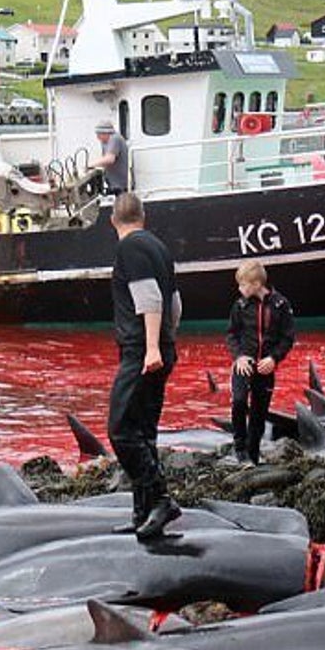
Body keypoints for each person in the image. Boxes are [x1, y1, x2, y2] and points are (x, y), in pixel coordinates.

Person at [107, 192, 182, 539]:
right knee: (143, 431)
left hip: (142, 351)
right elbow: (175, 302)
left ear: (112, 220)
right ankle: (142, 513)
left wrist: (152, 347)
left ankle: (160, 498)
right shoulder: (158, 247)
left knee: (120, 430)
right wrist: (168, 340)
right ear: (143, 215)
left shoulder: (130, 248)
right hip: (161, 345)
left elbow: (149, 296)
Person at [226, 260, 295, 465]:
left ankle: (253, 453)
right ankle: (240, 448)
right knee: (239, 402)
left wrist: (274, 358)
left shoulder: (280, 305)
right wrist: (238, 356)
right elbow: (231, 334)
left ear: (256, 284)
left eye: (243, 284)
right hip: (243, 365)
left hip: (265, 367)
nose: (240, 289)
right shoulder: (239, 306)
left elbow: (287, 337)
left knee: (259, 411)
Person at [91, 120, 131, 193]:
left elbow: (110, 159)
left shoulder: (114, 139)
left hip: (120, 184)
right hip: (112, 182)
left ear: (105, 133)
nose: (98, 138)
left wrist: (90, 165)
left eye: (99, 135)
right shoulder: (105, 142)